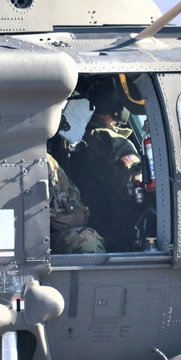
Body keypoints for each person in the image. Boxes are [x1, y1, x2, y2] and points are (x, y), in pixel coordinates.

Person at [67, 78, 144, 251]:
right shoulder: (112, 141)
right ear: (117, 105)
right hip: (120, 229)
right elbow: (133, 185)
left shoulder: (85, 134)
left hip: (100, 225)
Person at [47, 154, 105, 254]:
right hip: (15, 240)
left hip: (46, 240)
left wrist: (74, 217)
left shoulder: (45, 162)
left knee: (87, 238)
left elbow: (73, 202)